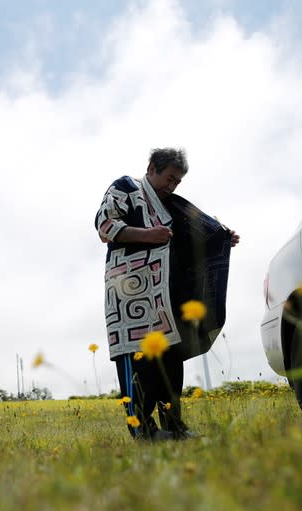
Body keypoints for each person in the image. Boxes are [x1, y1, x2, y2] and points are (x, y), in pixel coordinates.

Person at [94, 148, 240, 440]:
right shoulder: (125, 187)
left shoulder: (172, 205)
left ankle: (174, 426)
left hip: (164, 295)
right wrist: (148, 235)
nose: (172, 186)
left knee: (170, 358)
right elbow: (105, 225)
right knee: (137, 360)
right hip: (130, 293)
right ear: (151, 168)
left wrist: (220, 240)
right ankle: (143, 432)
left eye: (177, 182)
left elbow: (192, 241)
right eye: (169, 178)